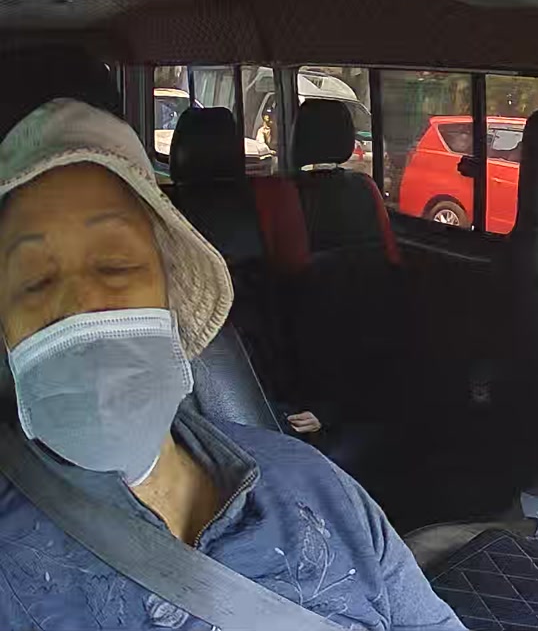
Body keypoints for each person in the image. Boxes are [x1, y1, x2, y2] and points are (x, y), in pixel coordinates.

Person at [0, 99, 465, 630]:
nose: (81, 302)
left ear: (171, 297)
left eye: (115, 264)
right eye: (34, 280)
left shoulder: (315, 484)